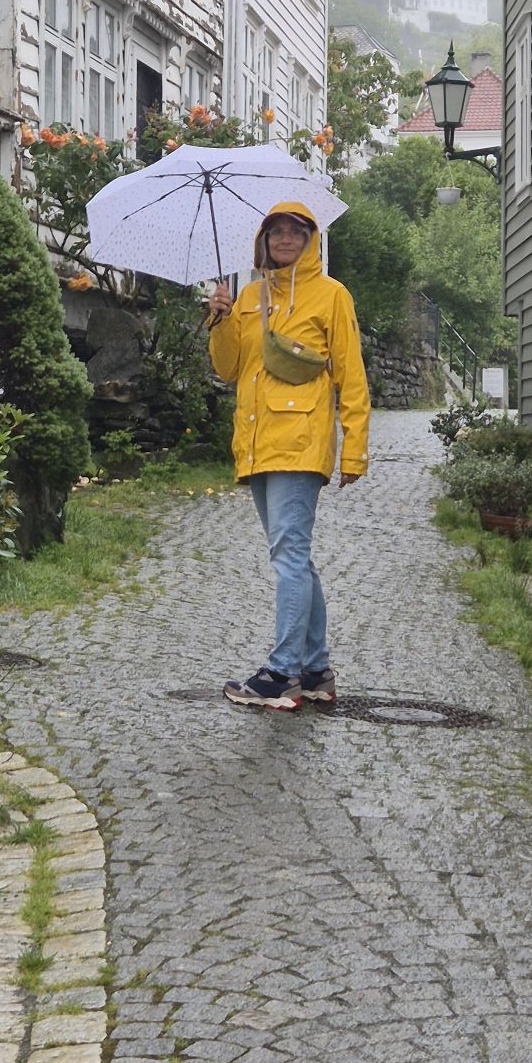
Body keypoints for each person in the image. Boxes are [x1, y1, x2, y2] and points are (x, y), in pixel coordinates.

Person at [208, 201, 370, 711]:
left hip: (300, 444)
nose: (284, 239)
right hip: (256, 442)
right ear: (263, 241)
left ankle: (282, 674)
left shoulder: (332, 295)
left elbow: (351, 375)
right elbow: (229, 368)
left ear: (309, 239)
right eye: (275, 231)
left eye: (294, 232)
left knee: (289, 557)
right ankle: (316, 670)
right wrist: (220, 319)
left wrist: (354, 450)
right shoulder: (249, 296)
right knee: (295, 557)